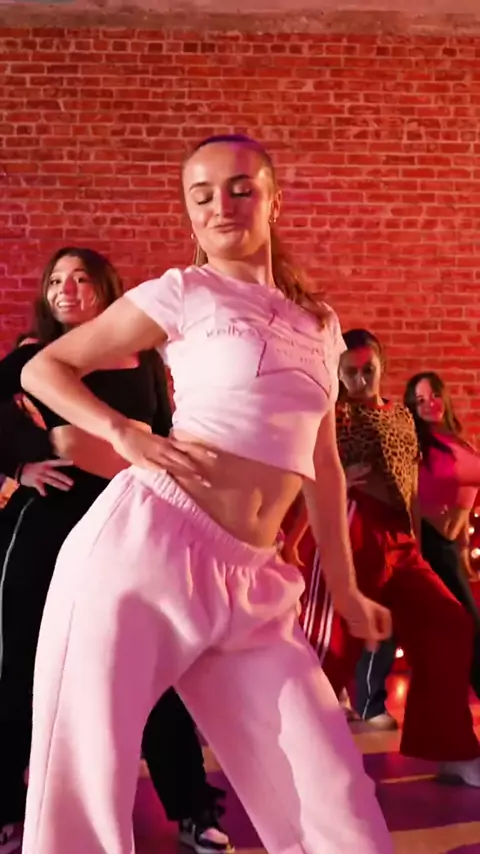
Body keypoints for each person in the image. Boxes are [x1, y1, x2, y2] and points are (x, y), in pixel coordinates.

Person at [20, 134, 394, 854]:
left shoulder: (320, 324)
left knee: (332, 797)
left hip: (251, 580)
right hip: (144, 553)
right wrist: (123, 433)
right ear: (189, 213)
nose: (222, 205)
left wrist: (346, 590)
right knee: (84, 788)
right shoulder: (183, 292)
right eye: (202, 195)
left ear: (273, 200)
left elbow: (320, 460)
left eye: (241, 189)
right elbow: (46, 369)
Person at [0, 248, 231, 854]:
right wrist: (22, 465)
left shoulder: (144, 359)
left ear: (106, 289)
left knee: (152, 664)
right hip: (49, 520)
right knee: (20, 664)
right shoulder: (34, 357)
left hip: (131, 521)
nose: (66, 289)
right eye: (56, 280)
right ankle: (6, 808)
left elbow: (165, 432)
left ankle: (192, 806)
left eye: (81, 278)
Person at [289, 328, 480, 780]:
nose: (360, 380)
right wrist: (297, 537)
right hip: (349, 529)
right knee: (329, 650)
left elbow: (409, 486)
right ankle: (295, 758)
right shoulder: (330, 416)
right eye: (350, 372)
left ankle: (449, 748)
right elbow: (301, 473)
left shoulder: (401, 416)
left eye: (368, 370)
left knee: (448, 624)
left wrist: (416, 545)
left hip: (398, 539)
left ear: (382, 368)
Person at [352, 370, 480, 726]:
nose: (429, 404)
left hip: (449, 547)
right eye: (420, 400)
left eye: (434, 395)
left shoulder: (458, 443)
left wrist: (463, 544)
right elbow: (410, 495)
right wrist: (417, 543)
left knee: (456, 624)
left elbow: (465, 496)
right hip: (422, 539)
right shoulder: (416, 444)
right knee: (403, 620)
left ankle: (375, 703)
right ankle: (369, 704)